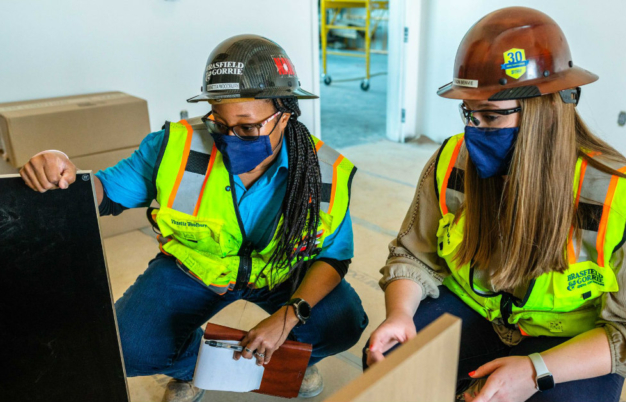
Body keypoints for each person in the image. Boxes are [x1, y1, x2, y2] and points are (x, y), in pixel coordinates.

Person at [20, 35, 368, 402]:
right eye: (219, 123)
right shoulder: (174, 148)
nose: (231, 138)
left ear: (286, 112)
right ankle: (196, 368)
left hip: (281, 273)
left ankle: (292, 359)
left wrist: (288, 316)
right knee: (127, 345)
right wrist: (62, 170)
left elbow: (333, 256)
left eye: (248, 127)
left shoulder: (325, 172)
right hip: (195, 269)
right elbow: (104, 193)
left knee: (342, 321)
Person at [363, 7, 626, 402]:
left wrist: (534, 371)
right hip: (476, 314)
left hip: (563, 343)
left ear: (545, 113)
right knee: (391, 359)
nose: (473, 132)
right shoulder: (453, 162)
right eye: (468, 114)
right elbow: (413, 255)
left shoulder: (617, 199)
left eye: (491, 116)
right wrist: (401, 315)